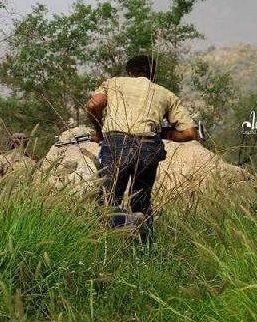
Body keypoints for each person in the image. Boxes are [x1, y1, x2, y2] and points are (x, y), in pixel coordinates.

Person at [85, 54, 198, 241]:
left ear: (129, 73)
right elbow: (189, 133)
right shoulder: (165, 93)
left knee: (107, 200)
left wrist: (99, 129)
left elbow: (94, 104)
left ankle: (125, 222)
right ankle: (146, 250)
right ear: (152, 75)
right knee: (142, 201)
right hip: (149, 147)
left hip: (117, 144)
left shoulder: (114, 83)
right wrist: (165, 134)